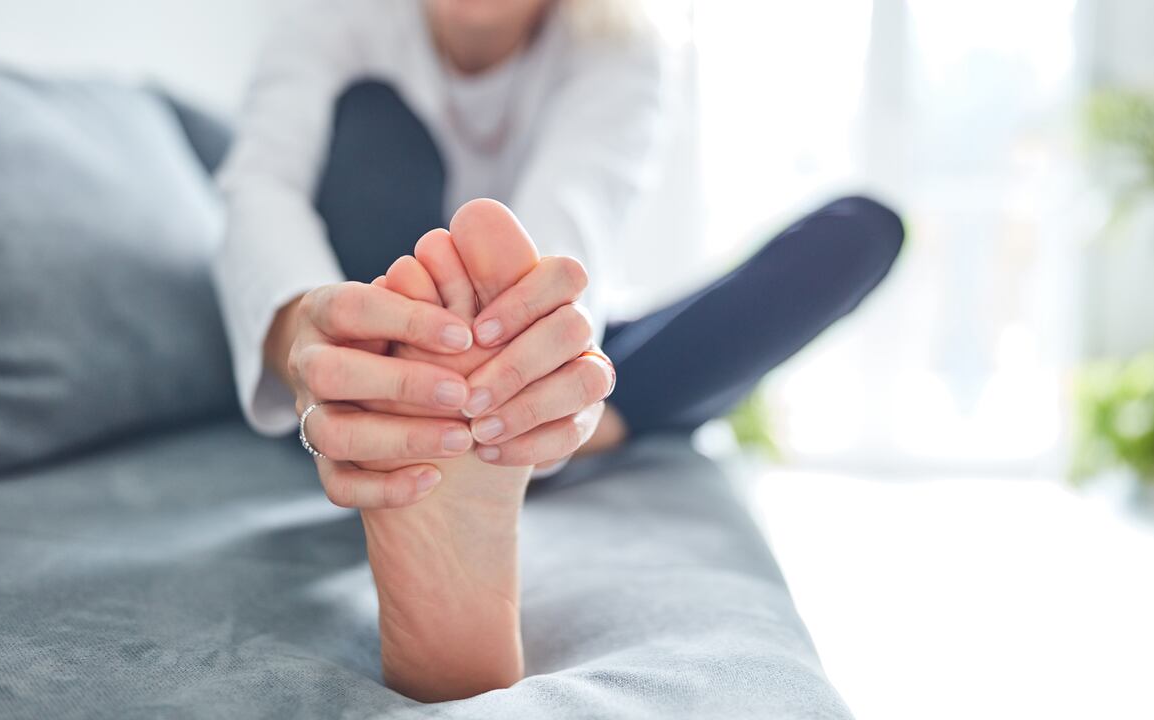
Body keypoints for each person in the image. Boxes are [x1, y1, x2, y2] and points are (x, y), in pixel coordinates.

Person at [214, 0, 904, 703]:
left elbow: (570, 231)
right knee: (374, 121)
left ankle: (505, 431)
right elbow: (262, 190)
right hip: (368, 343)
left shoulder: (621, 46)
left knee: (860, 232)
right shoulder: (334, 19)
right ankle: (451, 419)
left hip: (549, 342)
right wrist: (309, 332)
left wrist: (537, 370)